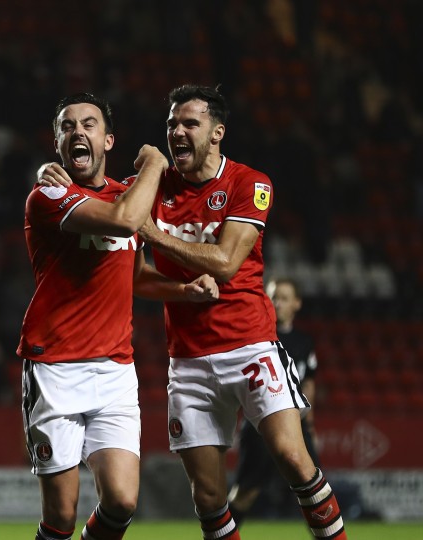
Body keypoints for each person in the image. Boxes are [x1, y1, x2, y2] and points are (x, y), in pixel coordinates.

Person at [36, 85, 347, 540]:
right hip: (189, 359)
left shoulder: (249, 183)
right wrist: (51, 170)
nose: (177, 133)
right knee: (208, 497)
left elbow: (224, 263)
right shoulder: (152, 189)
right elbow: (110, 214)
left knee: (294, 460)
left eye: (190, 124)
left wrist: (153, 233)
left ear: (217, 132)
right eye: (171, 125)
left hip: (251, 346)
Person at [20, 93, 219, 540]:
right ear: (57, 143)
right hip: (55, 368)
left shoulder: (123, 196)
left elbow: (133, 276)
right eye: (67, 126)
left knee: (123, 501)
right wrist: (153, 161)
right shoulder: (49, 193)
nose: (78, 132)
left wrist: (182, 290)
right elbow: (126, 221)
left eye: (88, 124)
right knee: (61, 518)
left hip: (114, 370)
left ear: (107, 140)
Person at [228, 277, 321, 524]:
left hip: (298, 425)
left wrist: (310, 423)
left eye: (284, 298)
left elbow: (309, 381)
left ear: (297, 304)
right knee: (247, 490)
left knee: (316, 493)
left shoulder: (304, 342)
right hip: (260, 425)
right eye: (273, 297)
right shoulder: (256, 337)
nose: (277, 303)